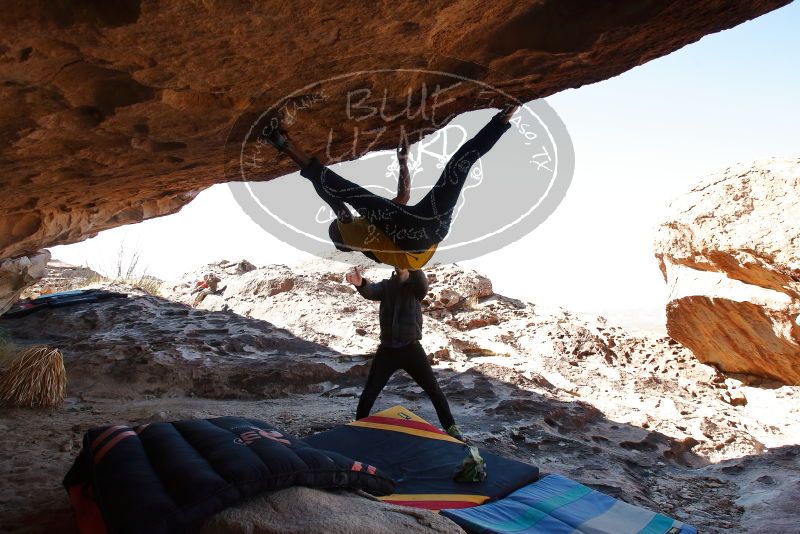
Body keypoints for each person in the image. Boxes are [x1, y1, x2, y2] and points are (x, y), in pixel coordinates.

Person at [262, 104, 519, 269]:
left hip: (432, 229)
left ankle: (504, 117)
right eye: (339, 225)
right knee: (344, 188)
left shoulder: (377, 234)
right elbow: (332, 196)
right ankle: (284, 144)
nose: (347, 219)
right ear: (341, 238)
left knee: (458, 166)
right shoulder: (353, 234)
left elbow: (404, 196)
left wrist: (403, 161)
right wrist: (403, 162)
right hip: (413, 236)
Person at [345, 264, 462, 438]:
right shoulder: (386, 286)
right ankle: (359, 425)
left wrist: (412, 264)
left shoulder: (416, 287)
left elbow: (422, 282)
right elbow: (370, 290)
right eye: (398, 262)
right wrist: (360, 282)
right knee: (370, 391)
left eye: (404, 262)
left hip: (411, 348)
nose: (400, 264)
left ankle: (451, 428)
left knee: (433, 389)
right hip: (387, 350)